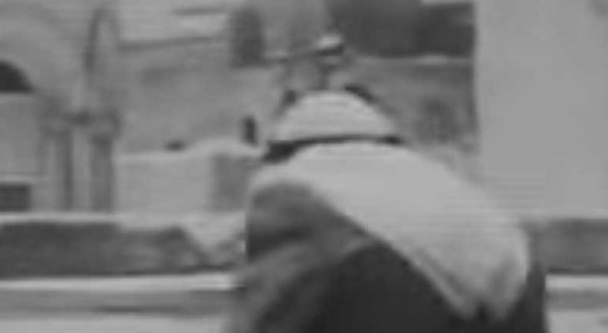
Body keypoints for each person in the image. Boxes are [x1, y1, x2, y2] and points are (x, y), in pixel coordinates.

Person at [225, 91, 550, 333]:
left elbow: (267, 311)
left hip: (388, 291)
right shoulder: (438, 179)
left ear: (281, 149)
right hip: (512, 284)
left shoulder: (290, 185)